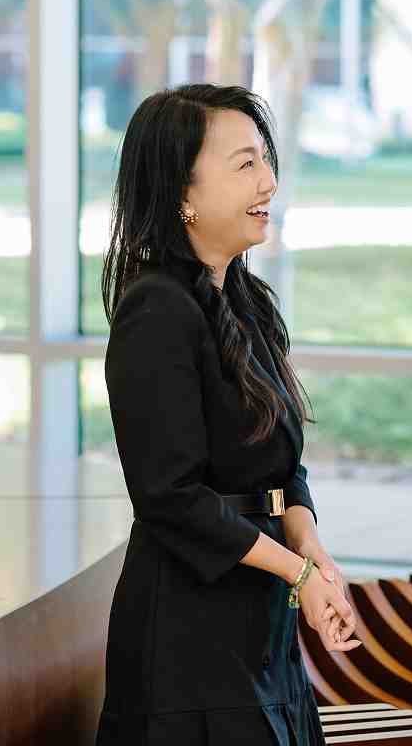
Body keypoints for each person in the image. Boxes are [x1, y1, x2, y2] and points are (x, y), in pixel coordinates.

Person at [96, 84, 360, 746]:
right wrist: (296, 571)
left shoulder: (245, 302)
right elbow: (169, 496)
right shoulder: (155, 310)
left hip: (260, 620)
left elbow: (280, 461)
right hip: (189, 633)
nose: (268, 179)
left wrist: (310, 549)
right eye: (245, 163)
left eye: (266, 159)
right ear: (181, 193)